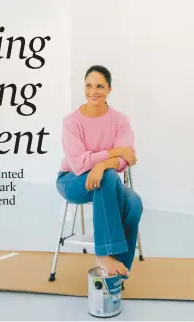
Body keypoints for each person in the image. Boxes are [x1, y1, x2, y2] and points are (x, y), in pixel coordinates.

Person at [56, 65, 143, 277]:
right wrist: (115, 152)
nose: (93, 91)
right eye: (88, 86)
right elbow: (78, 163)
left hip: (107, 182)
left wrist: (101, 165)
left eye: (99, 86)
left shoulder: (120, 120)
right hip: (72, 180)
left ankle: (118, 274)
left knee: (134, 202)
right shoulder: (71, 122)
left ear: (109, 90)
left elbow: (127, 158)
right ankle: (104, 253)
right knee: (108, 178)